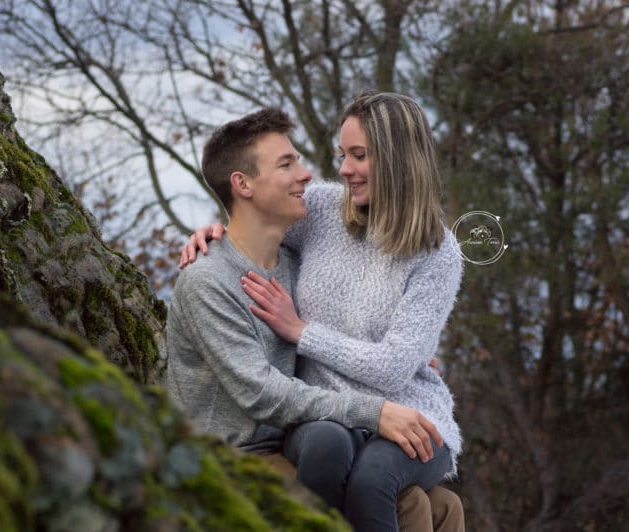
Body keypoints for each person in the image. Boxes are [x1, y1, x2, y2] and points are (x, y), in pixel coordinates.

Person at [167, 106, 462, 531]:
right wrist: (214, 230)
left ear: (396, 157)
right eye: (289, 163)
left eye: (357, 155)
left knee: (429, 502)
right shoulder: (319, 215)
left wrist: (306, 333)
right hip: (267, 442)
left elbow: (394, 363)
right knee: (357, 468)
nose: (327, 172)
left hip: (369, 416)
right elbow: (260, 392)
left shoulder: (432, 251)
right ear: (242, 183)